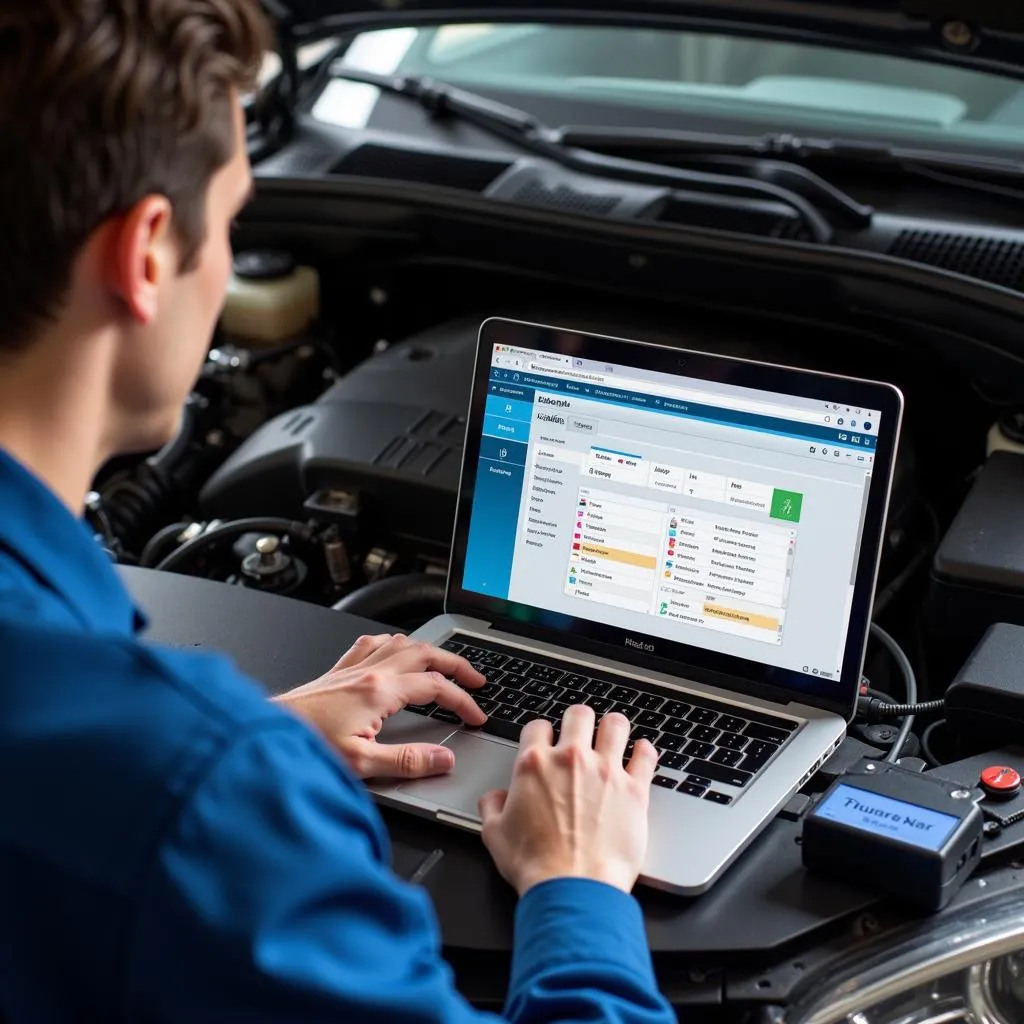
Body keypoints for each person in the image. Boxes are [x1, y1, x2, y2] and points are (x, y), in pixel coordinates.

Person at [0, 2, 677, 1021]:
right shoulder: (201, 792)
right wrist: (576, 884)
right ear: (145, 254)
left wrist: (242, 748)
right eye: (231, 221)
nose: (228, 264)